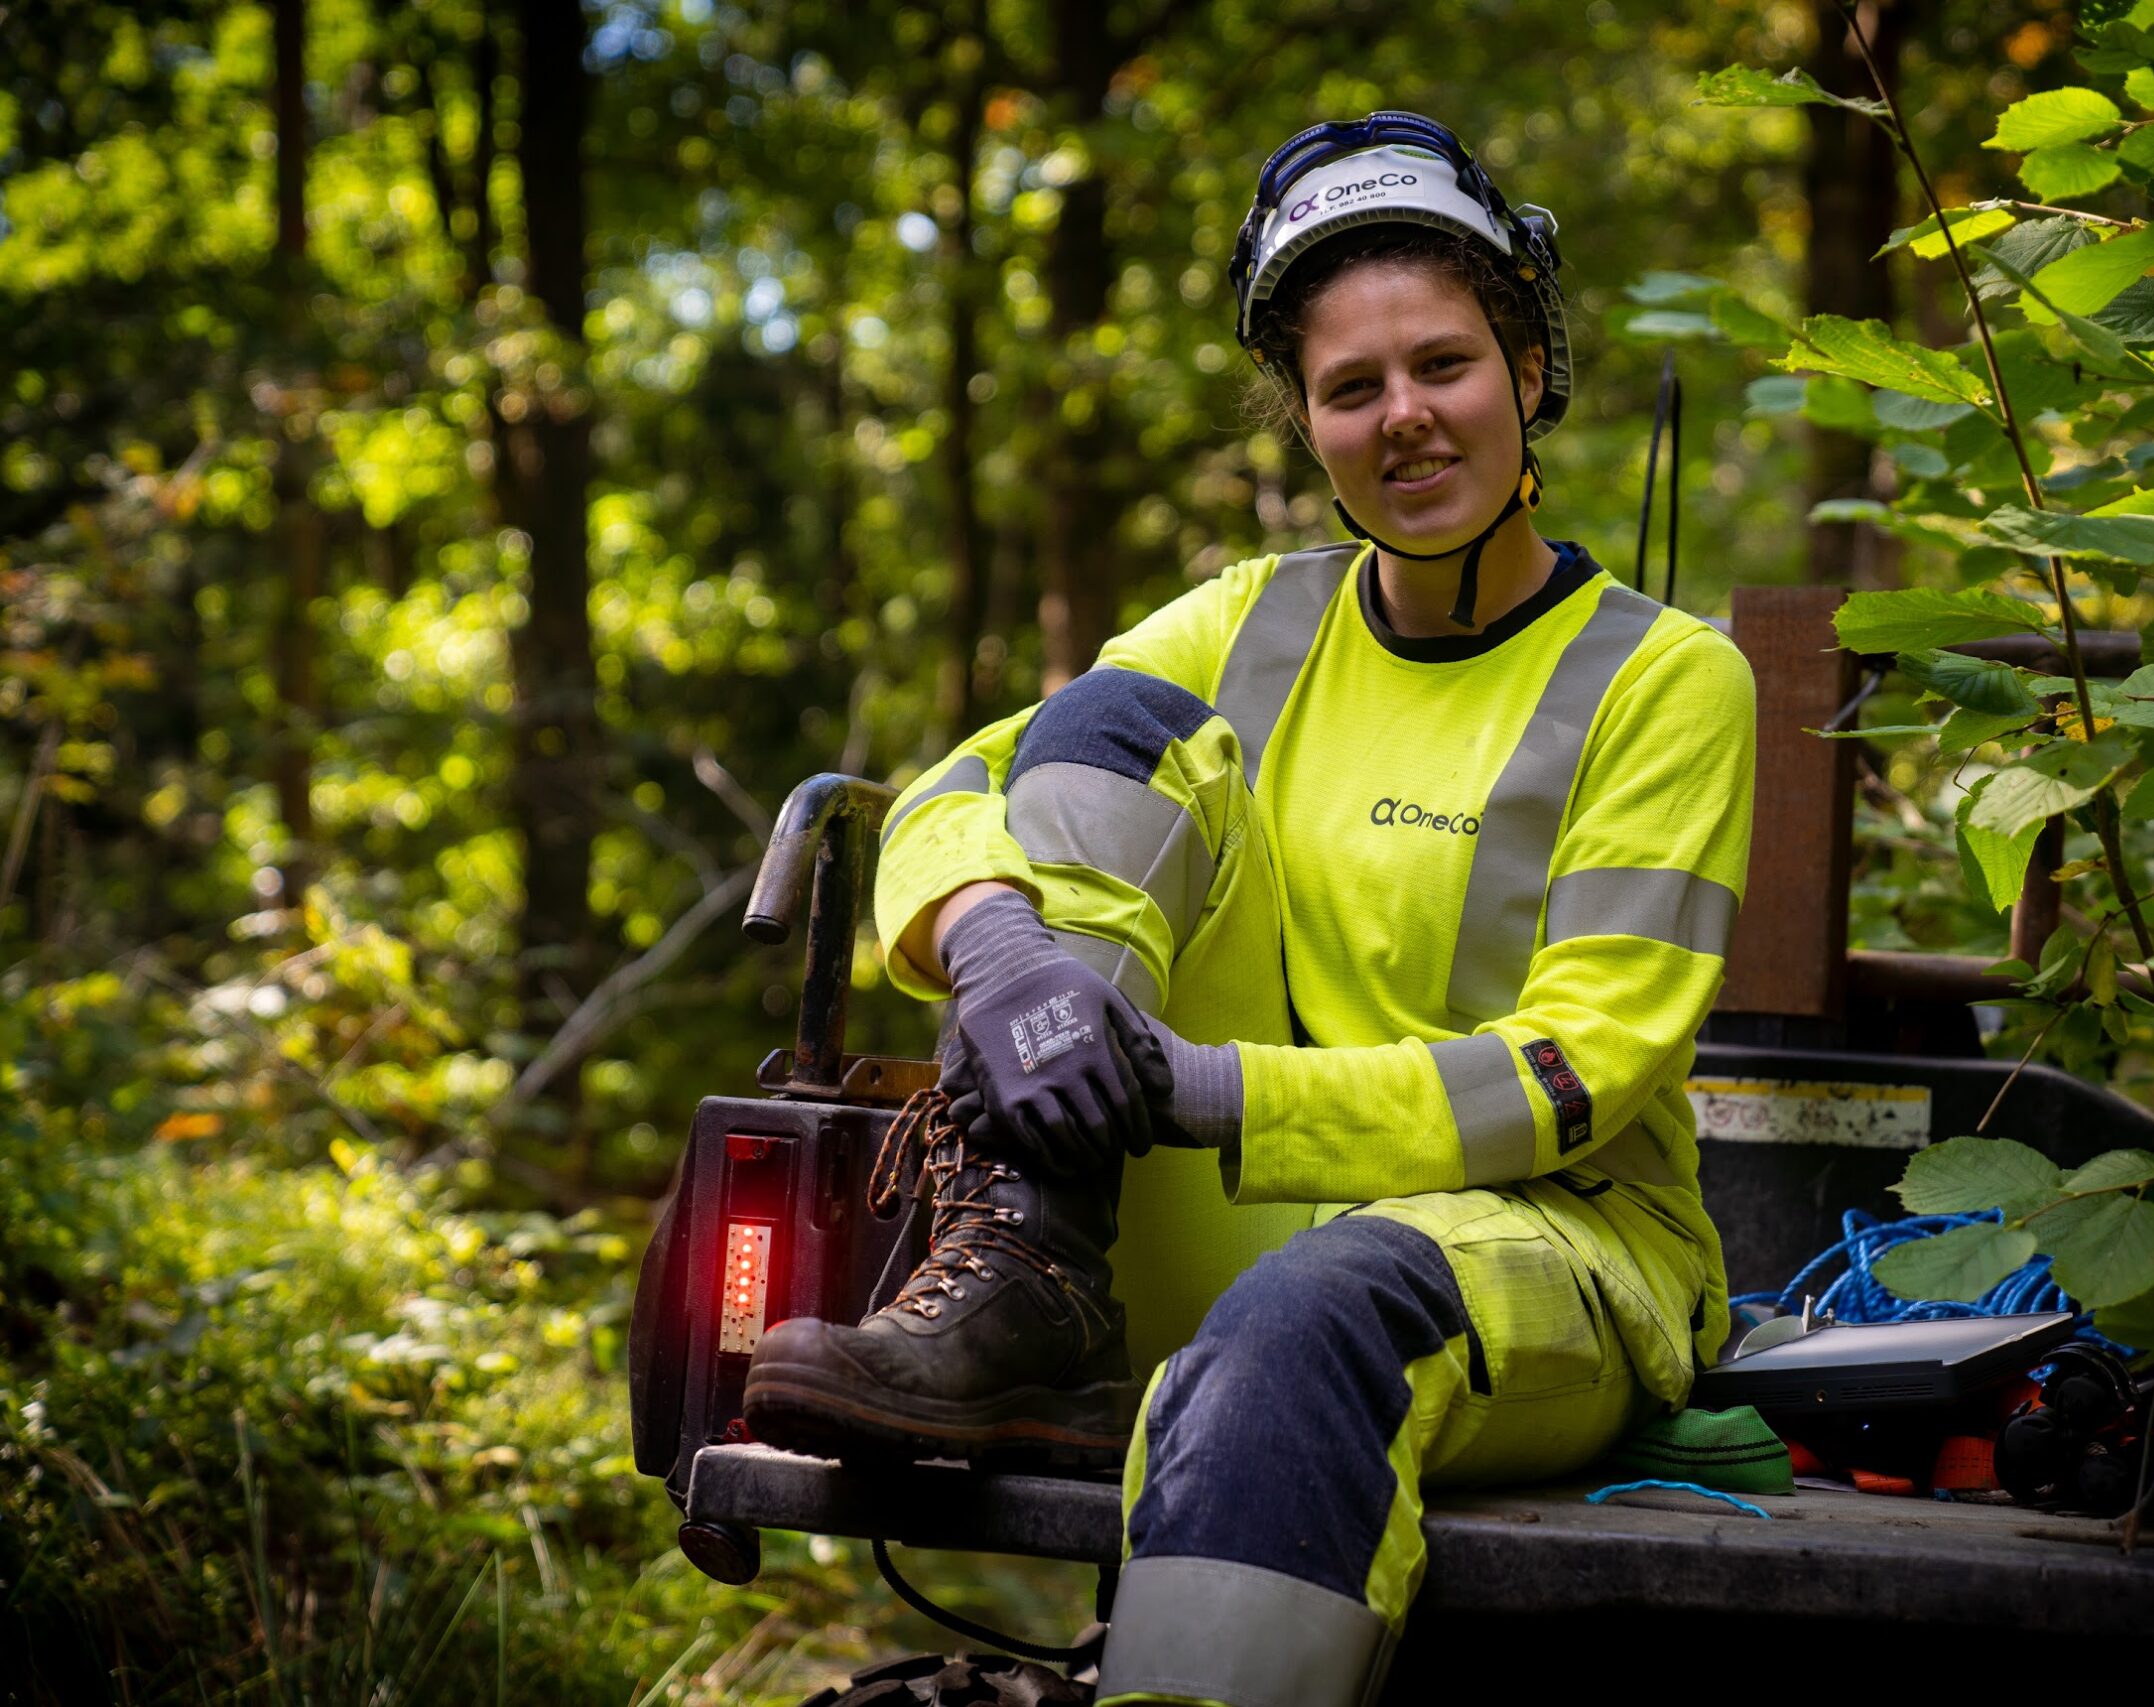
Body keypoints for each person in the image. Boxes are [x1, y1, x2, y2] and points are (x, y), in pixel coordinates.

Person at [744, 111, 1755, 1707]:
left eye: (1447, 365)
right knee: (1108, 727)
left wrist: (1193, 1085)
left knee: (1315, 1315)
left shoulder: (1663, 675)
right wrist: (1001, 948)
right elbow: (950, 792)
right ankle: (1032, 1262)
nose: (1406, 419)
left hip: (1559, 1245)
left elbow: (1578, 1073)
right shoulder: (1248, 624)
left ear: (1532, 370)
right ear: (1303, 421)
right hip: (1229, 1212)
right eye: (1352, 389)